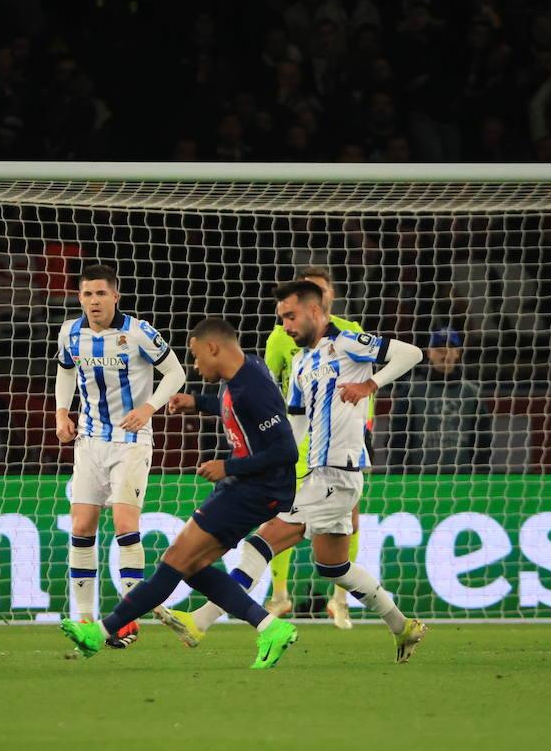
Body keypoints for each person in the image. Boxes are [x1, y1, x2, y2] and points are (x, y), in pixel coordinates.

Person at [160, 281, 429, 663]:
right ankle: (403, 626)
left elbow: (411, 353)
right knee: (333, 566)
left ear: (315, 312)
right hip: (317, 473)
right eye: (281, 318)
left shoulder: (349, 342)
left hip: (339, 472)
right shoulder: (302, 362)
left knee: (260, 543)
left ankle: (201, 621)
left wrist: (370, 383)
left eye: (291, 316)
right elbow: (294, 423)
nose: (285, 325)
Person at [61, 318, 300, 669]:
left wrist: (228, 467)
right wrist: (197, 402)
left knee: (174, 561)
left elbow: (286, 451)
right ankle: (270, 627)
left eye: (195, 355)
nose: (194, 365)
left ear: (212, 348)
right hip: (255, 489)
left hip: (252, 489)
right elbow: (234, 408)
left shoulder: (253, 388)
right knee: (193, 566)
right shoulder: (244, 372)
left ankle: (100, 631)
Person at [53, 264, 186, 648]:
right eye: (87, 294)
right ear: (80, 298)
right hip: (89, 442)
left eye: (101, 294)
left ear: (115, 296)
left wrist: (150, 408)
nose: (93, 301)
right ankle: (83, 619)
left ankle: (128, 620)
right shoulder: (70, 332)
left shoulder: (138, 332)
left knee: (125, 524)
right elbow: (65, 371)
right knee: (81, 528)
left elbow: (175, 373)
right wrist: (62, 412)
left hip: (130, 441)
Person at [261, 266, 370, 628]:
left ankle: (341, 600)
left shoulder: (351, 333)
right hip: (298, 438)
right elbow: (271, 383)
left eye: (322, 292)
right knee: (282, 513)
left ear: (329, 297)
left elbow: (368, 382)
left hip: (339, 439)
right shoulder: (281, 337)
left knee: (347, 519)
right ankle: (279, 596)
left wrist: (364, 424)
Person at [385, 328, 491, 472]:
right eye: (439, 349)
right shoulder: (411, 390)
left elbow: (483, 440)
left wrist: (481, 474)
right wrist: (398, 473)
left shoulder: (471, 392)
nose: (445, 353)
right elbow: (396, 437)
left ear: (458, 353)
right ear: (429, 353)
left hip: (462, 478)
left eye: (450, 348)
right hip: (419, 477)